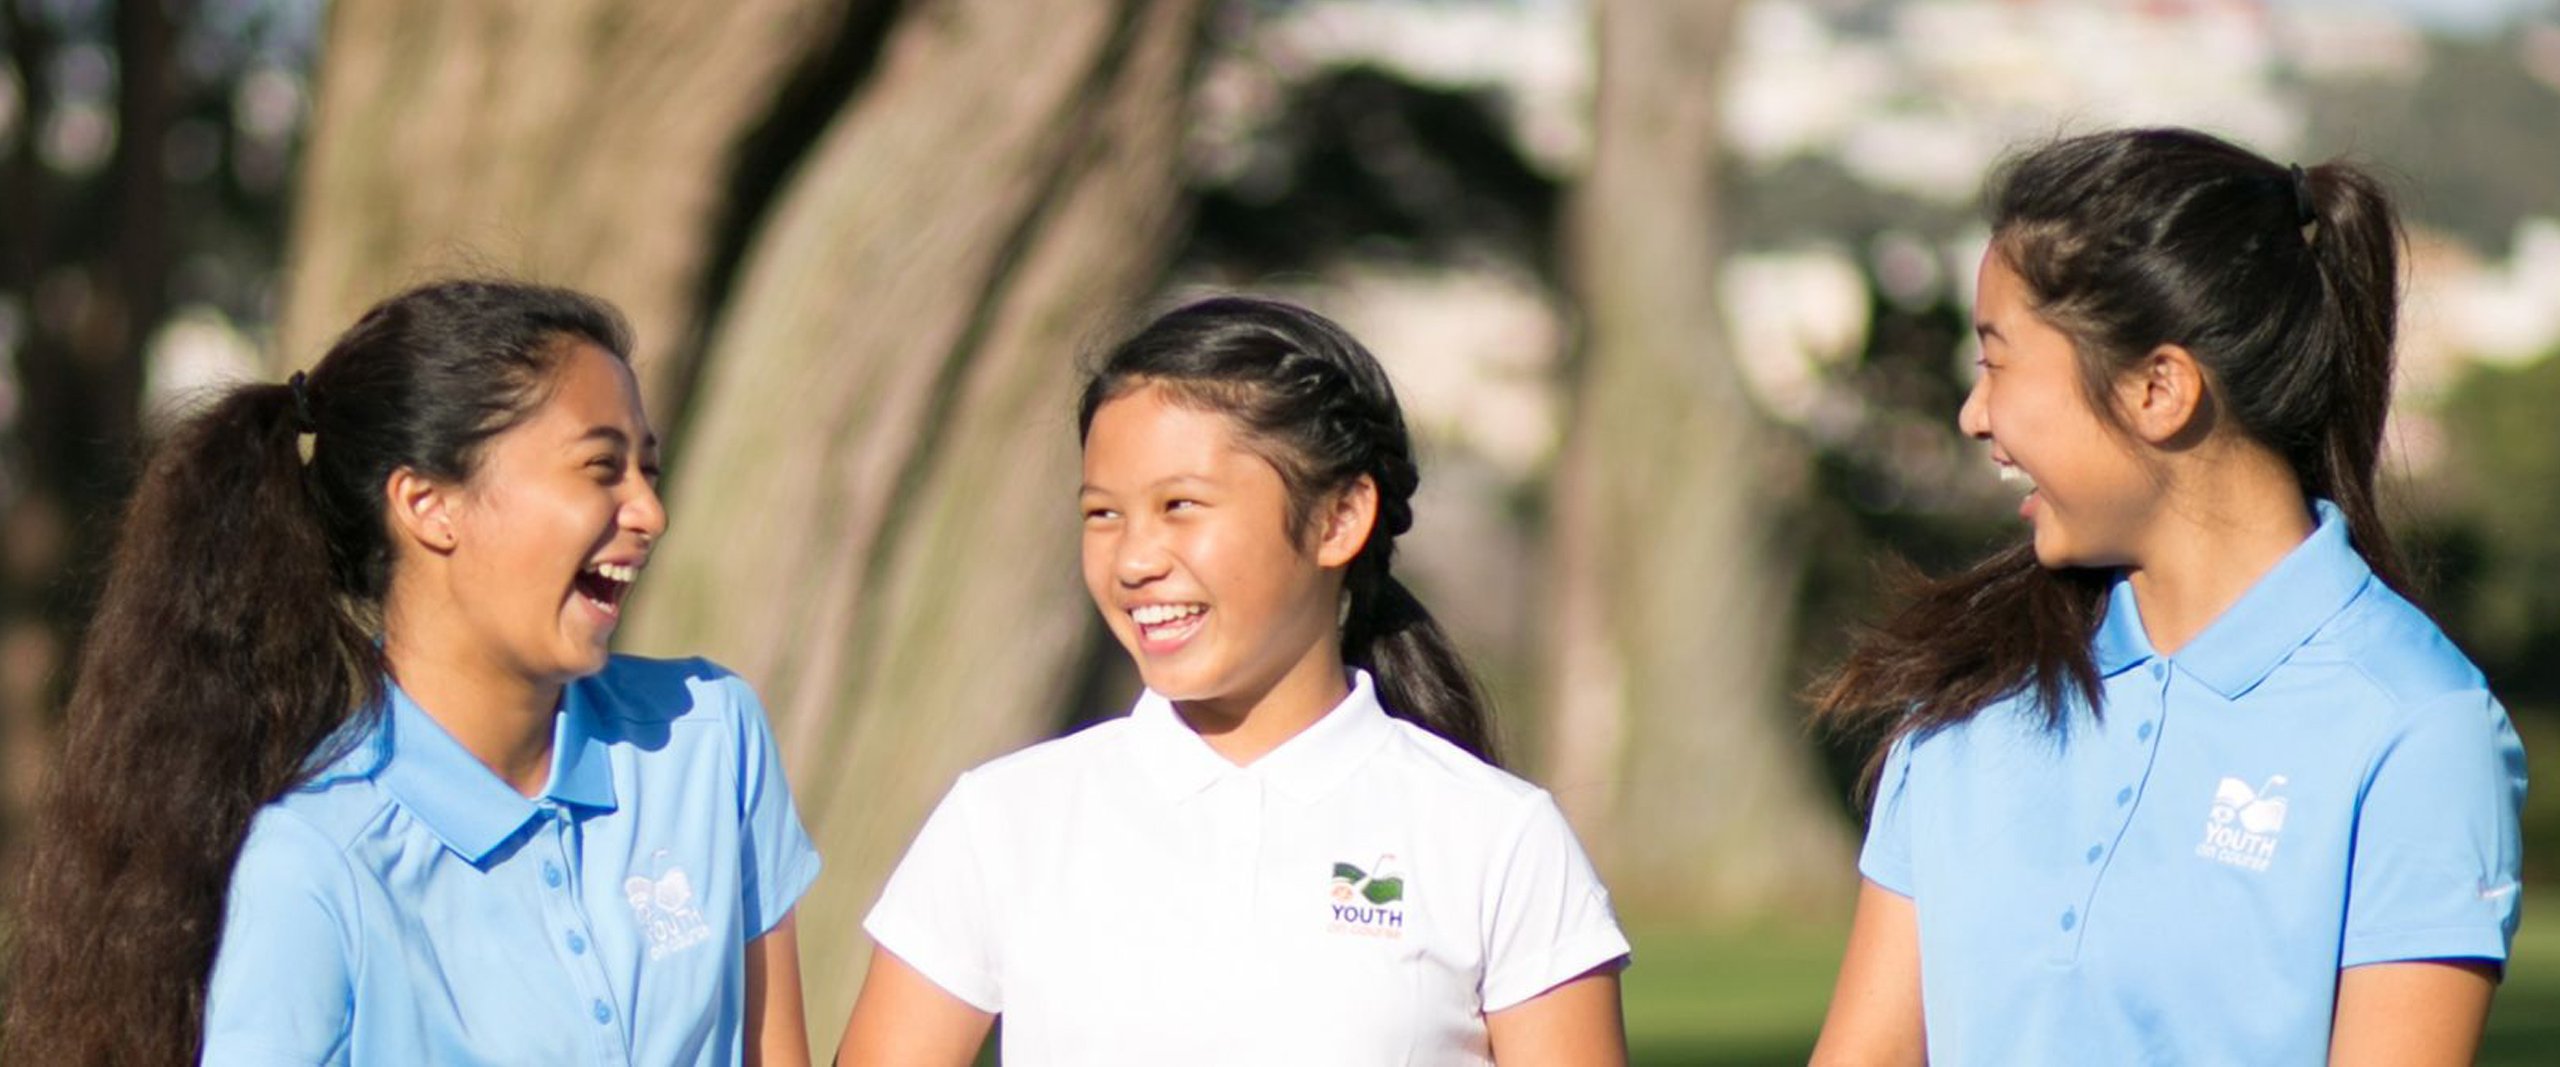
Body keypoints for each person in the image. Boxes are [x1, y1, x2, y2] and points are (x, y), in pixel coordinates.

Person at [1809, 128, 2526, 1066]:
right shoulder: (1963, 698)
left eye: (1997, 361)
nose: (1973, 413)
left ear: (2159, 388)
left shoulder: (2417, 726)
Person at [0, 280, 821, 1065]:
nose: (649, 511)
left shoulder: (709, 733)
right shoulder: (316, 864)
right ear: (429, 505)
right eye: (602, 468)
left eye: (649, 468)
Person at [835, 296, 1632, 1065]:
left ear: (1340, 519)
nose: (1136, 558)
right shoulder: (1006, 820)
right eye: (1103, 514)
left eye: (1181, 505)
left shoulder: (1496, 836)